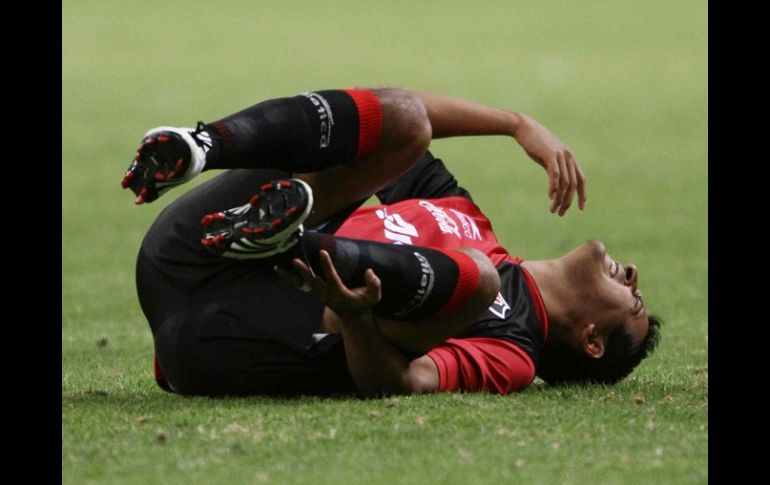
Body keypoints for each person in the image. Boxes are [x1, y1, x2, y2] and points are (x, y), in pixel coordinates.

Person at [122, 87, 660, 397]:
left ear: (591, 340)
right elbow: (391, 117)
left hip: (228, 338)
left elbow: (408, 381)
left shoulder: (512, 353)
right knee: (404, 121)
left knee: (477, 281)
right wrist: (515, 123)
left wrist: (355, 317)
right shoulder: (469, 219)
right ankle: (205, 144)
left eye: (633, 302)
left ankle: (293, 246)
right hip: (188, 250)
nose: (633, 275)